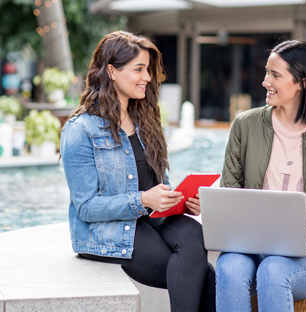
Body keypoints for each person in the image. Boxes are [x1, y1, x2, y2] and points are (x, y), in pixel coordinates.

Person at [60, 31, 215, 312]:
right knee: (204, 276)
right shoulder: (80, 129)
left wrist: (179, 201)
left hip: (150, 219)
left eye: (148, 69)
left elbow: (160, 183)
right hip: (109, 228)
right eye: (139, 69)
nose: (147, 77)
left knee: (195, 236)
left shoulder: (146, 119)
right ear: (111, 71)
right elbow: (85, 207)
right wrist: (143, 200)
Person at [216, 40, 306, 312]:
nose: (266, 81)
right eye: (266, 72)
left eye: (275, 75)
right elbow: (229, 192)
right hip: (250, 246)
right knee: (229, 267)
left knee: (273, 270)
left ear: (301, 82)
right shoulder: (245, 125)